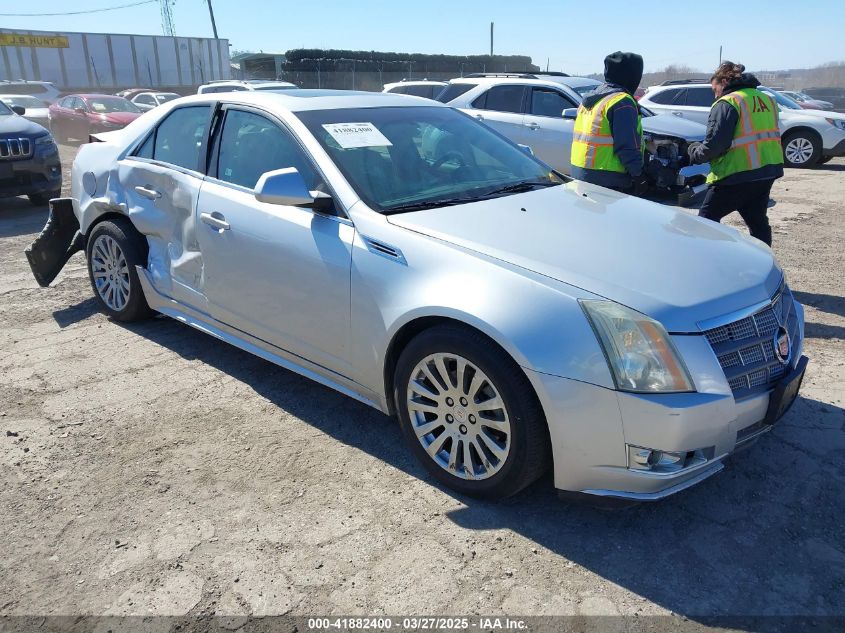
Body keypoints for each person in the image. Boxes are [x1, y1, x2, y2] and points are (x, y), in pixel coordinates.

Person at [688, 61, 784, 246]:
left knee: (706, 220)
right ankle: (764, 257)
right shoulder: (766, 99)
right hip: (767, 169)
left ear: (724, 81)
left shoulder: (728, 102)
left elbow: (715, 145)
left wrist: (694, 152)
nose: (715, 94)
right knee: (757, 222)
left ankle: (708, 258)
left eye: (715, 89)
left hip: (736, 173)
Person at [571, 51, 648, 195]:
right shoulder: (622, 101)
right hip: (609, 178)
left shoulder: (591, 98)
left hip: (580, 171)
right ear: (630, 75)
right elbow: (627, 146)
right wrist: (638, 175)